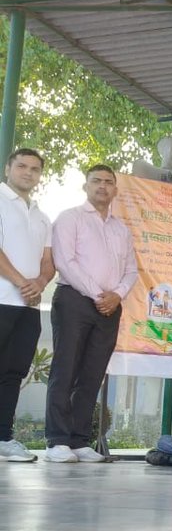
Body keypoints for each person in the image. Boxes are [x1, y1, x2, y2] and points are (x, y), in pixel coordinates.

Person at [44, 164, 138, 463]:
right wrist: (99, 294)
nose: (102, 186)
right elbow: (65, 261)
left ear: (115, 190)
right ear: (86, 186)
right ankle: (57, 440)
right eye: (96, 181)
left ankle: (79, 440)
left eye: (108, 182)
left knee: (92, 374)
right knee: (65, 369)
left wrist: (116, 296)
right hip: (74, 300)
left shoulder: (121, 229)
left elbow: (132, 270)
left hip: (110, 306)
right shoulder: (69, 218)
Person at [0, 148, 53, 463]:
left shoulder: (42, 215)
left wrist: (40, 284)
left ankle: (3, 438)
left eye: (35, 168)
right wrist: (23, 282)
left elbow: (48, 261)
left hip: (29, 308)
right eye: (22, 166)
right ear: (8, 168)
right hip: (2, 300)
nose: (28, 173)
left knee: (13, 373)